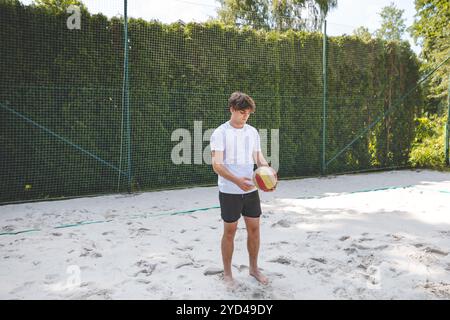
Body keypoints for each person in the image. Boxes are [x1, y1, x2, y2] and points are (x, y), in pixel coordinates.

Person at [210, 91, 277, 286]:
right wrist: (237, 180)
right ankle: (228, 274)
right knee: (230, 231)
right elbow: (217, 165)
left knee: (254, 229)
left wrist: (268, 173)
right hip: (230, 190)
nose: (245, 115)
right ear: (232, 109)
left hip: (250, 190)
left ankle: (254, 269)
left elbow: (258, 157)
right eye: (241, 112)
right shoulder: (220, 133)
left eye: (248, 112)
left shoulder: (252, 131)